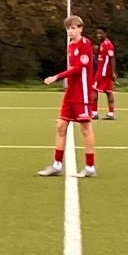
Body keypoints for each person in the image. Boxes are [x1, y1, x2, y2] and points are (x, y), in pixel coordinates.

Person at [37, 14, 98, 179]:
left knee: (85, 129)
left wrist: (56, 77)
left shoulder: (85, 44)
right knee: (61, 126)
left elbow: (78, 68)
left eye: (73, 28)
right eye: (68, 29)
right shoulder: (70, 46)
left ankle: (90, 167)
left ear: (80, 29)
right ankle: (56, 165)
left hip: (82, 93)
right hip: (70, 93)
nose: (70, 31)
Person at [94, 27, 117, 118]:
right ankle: (111, 113)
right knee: (108, 92)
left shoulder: (108, 44)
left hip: (103, 72)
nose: (98, 35)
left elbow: (112, 58)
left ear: (105, 34)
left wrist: (113, 72)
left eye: (100, 33)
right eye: (97, 33)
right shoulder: (102, 44)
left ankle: (94, 112)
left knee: (93, 89)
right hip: (104, 72)